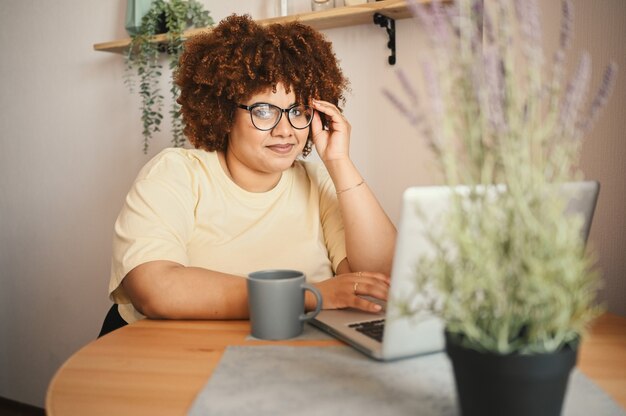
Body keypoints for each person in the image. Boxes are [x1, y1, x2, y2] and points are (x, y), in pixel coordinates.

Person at [103, 14, 396, 331]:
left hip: (288, 355)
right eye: (264, 110)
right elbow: (154, 288)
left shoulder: (318, 182)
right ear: (225, 113)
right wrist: (308, 295)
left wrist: (339, 161)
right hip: (174, 359)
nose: (285, 130)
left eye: (298, 110)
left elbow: (380, 280)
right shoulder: (176, 173)